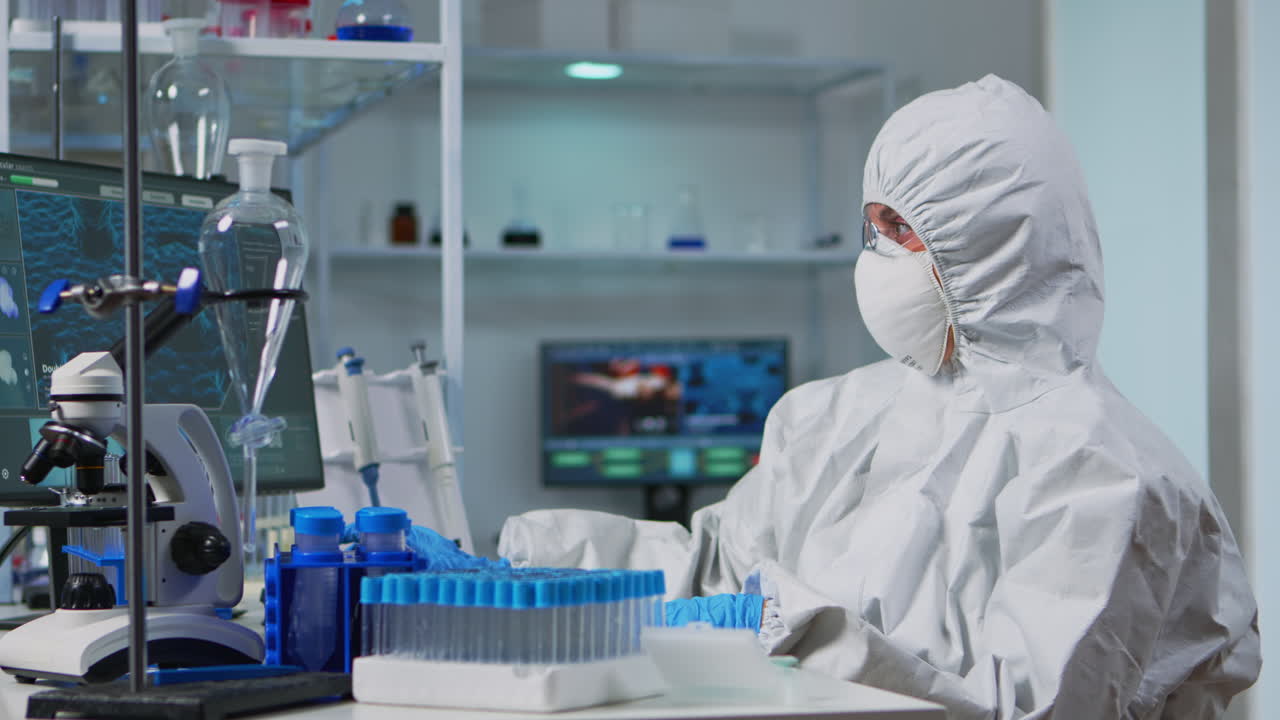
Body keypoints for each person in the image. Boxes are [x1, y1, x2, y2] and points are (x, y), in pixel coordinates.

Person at [496, 75, 1261, 718]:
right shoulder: (832, 416)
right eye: (873, 226)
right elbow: (720, 571)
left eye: (904, 229)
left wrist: (809, 631)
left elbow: (1034, 707)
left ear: (994, 245)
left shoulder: (1105, 476)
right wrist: (531, 558)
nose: (877, 254)